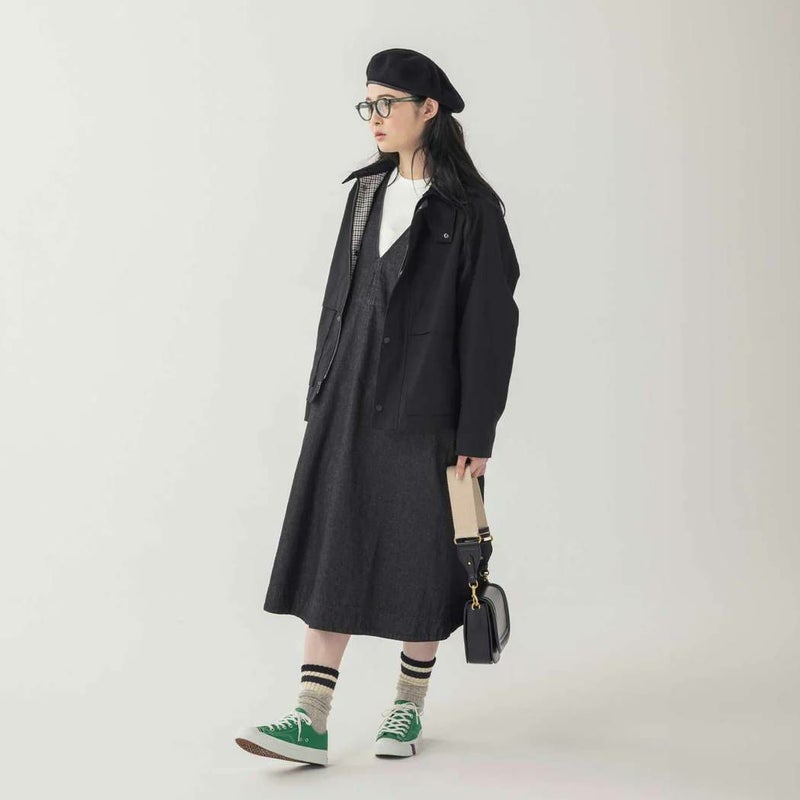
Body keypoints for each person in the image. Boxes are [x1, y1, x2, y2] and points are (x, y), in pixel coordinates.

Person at [235, 48, 520, 766]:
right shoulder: (364, 192)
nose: (375, 117)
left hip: (429, 406)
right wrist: (321, 388)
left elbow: (490, 326)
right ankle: (310, 717)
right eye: (368, 104)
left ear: (429, 109)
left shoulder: (471, 209)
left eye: (387, 103)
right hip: (348, 394)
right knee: (334, 539)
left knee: (422, 552)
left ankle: (406, 708)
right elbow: (341, 299)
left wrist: (477, 428)